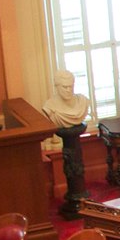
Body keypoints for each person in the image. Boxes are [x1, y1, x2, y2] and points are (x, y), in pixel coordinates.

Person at [42, 69, 93, 219]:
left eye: (71, 86)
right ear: (57, 87)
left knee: (76, 166)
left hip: (74, 140)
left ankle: (79, 195)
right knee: (72, 167)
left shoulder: (82, 102)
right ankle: (75, 196)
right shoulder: (50, 107)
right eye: (64, 87)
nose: (68, 90)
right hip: (68, 141)